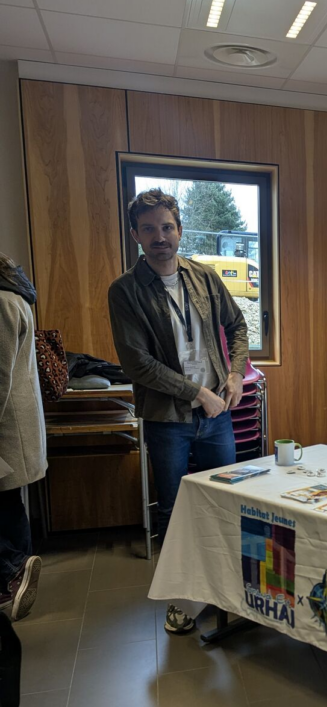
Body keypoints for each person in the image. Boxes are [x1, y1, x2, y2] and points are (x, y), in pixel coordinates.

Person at [108, 189, 248, 635]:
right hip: (167, 419)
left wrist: (235, 374)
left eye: (167, 227)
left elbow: (237, 326)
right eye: (149, 228)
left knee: (223, 500)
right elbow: (138, 364)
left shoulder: (204, 277)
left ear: (180, 230)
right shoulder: (125, 291)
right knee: (173, 509)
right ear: (136, 235)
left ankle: (227, 588)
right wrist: (197, 393)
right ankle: (180, 599)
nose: (160, 237)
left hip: (217, 414)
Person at [0, 254, 45, 621]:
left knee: (5, 502)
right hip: (13, 422)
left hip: (6, 424)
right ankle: (17, 575)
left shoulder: (1, 301)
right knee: (7, 501)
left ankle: (13, 574)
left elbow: (0, 377)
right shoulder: (14, 295)